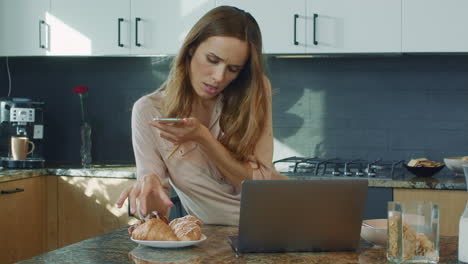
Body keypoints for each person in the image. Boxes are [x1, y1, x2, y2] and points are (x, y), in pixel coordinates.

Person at [116, 5, 287, 226]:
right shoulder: (149, 110)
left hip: (281, 221)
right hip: (213, 238)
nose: (219, 77)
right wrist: (146, 187)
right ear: (190, 49)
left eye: (233, 69)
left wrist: (202, 138)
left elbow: (260, 185)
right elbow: (158, 213)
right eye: (213, 60)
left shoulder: (254, 89)